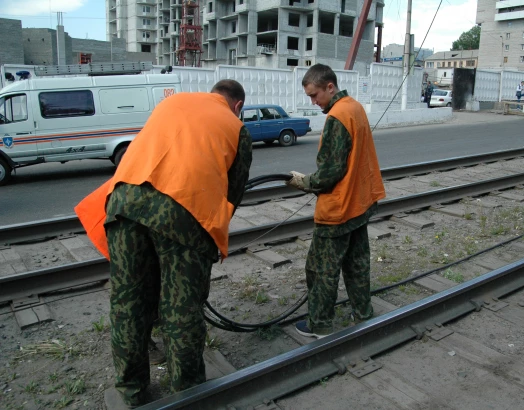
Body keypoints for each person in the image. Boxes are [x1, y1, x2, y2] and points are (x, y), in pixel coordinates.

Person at [74, 80, 252, 409]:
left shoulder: (172, 103)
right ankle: (187, 391)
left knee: (128, 305)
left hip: (124, 204)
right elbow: (232, 195)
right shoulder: (236, 126)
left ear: (210, 92)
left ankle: (130, 390)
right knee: (181, 311)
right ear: (237, 105)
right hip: (184, 214)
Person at [286, 64, 386, 338]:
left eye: (315, 95)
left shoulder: (336, 117)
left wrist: (303, 182)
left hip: (338, 210)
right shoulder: (355, 108)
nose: (313, 101)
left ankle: (319, 326)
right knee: (357, 265)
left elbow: (330, 172)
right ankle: (363, 315)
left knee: (320, 269)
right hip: (359, 204)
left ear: (330, 87)